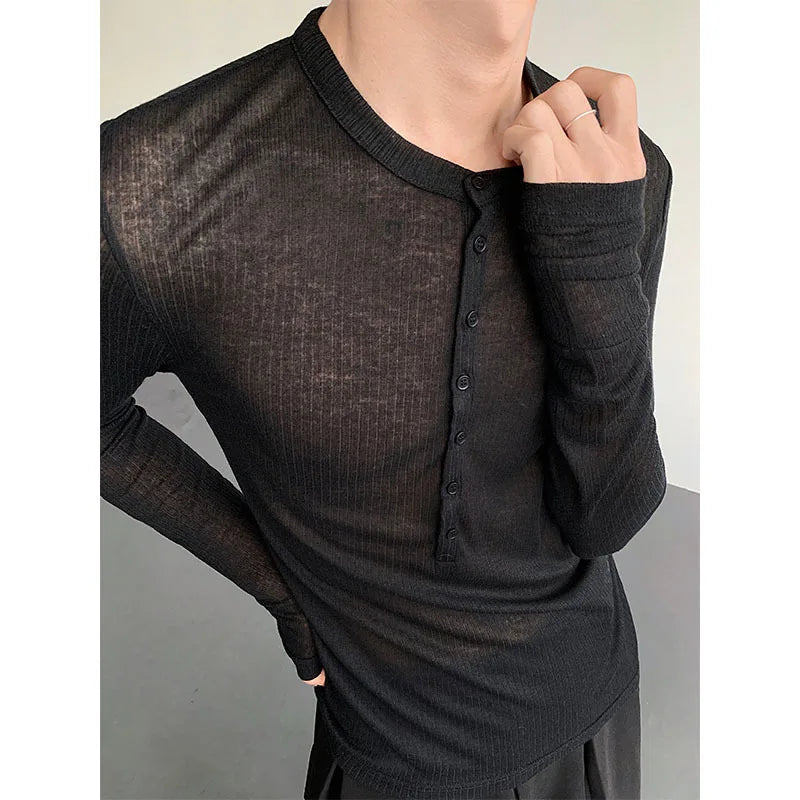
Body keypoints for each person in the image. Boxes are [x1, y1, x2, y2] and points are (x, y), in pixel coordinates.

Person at [101, 1, 672, 798]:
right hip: (395, 754)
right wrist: (279, 586)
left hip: (600, 709)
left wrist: (594, 254)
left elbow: (606, 518)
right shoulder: (151, 185)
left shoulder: (619, 167)